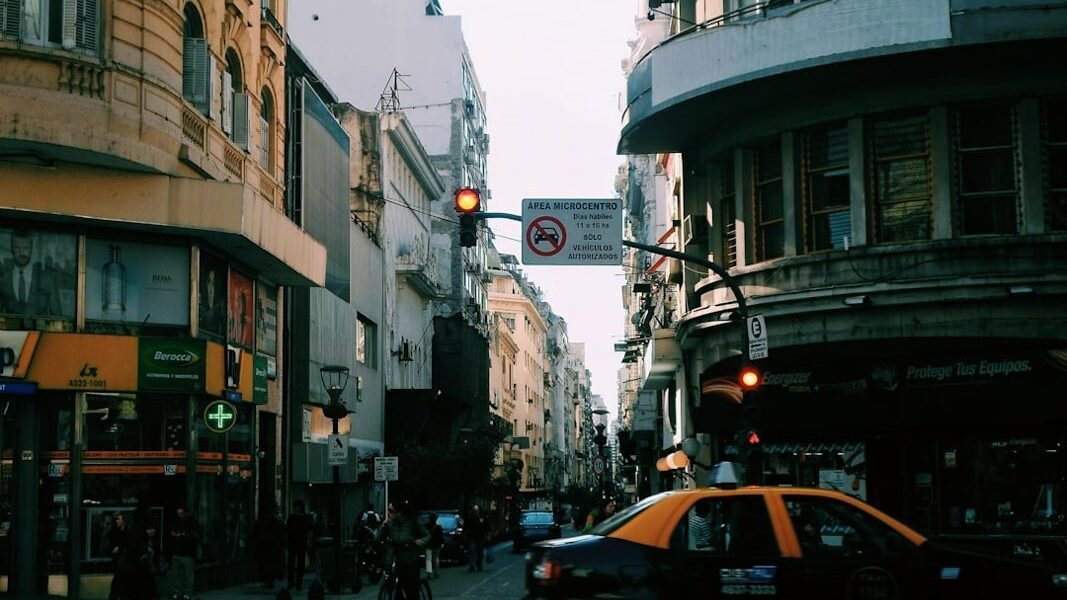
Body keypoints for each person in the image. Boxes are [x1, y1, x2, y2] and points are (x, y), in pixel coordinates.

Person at [0, 228, 60, 316]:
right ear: (12, 248)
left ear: (32, 248)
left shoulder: (47, 279)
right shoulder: (4, 280)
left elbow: (57, 317)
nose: (22, 253)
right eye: (17, 248)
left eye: (26, 248)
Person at [378, 499, 429, 599]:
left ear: (399, 512)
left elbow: (427, 535)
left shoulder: (412, 522)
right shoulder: (390, 524)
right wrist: (384, 526)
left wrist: (421, 541)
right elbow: (380, 538)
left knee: (411, 590)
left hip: (412, 559)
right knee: (397, 588)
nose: (389, 513)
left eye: (391, 511)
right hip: (398, 559)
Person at [168, 506, 199, 600]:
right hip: (177, 552)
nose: (180, 515)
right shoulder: (176, 522)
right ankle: (177, 592)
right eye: (178, 513)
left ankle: (187, 593)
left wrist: (186, 534)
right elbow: (172, 533)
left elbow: (196, 534)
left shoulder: (192, 522)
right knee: (176, 574)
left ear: (185, 513)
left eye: (181, 513)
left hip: (188, 553)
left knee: (188, 574)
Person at [253, 507, 285, 589]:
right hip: (271, 547)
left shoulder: (262, 522)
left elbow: (256, 534)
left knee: (267, 565)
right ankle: (270, 580)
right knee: (271, 564)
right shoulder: (277, 523)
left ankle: (268, 580)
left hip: (266, 547)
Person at [286, 500, 313, 591]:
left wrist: (309, 541)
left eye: (296, 507)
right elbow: (287, 530)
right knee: (291, 563)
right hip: (293, 542)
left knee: (300, 563)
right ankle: (291, 582)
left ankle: (298, 583)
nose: (295, 509)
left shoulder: (305, 518)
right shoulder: (292, 517)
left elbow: (309, 531)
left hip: (301, 542)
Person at [463, 504, 489, 572]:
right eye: (474, 510)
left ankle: (479, 564)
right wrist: (465, 534)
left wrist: (487, 534)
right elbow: (465, 526)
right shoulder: (469, 517)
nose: (476, 511)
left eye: (477, 510)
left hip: (480, 537)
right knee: (472, 551)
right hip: (472, 537)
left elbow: (486, 526)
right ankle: (472, 565)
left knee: (480, 552)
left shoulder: (482, 517)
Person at [424, 513, 443, 579]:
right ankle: (436, 572)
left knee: (428, 559)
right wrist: (441, 544)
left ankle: (429, 573)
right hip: (436, 545)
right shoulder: (438, 527)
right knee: (436, 558)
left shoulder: (426, 526)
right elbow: (441, 537)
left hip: (428, 544)